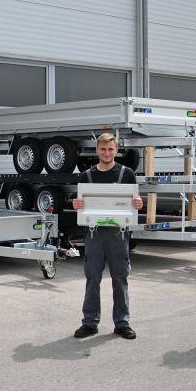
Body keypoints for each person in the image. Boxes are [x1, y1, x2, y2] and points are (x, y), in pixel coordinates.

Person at [72, 133, 143, 339]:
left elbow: (135, 201)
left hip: (118, 235)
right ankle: (89, 323)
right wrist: (76, 204)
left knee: (120, 279)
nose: (106, 153)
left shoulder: (127, 174)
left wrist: (138, 203)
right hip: (94, 234)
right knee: (92, 279)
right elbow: (80, 204)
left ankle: (122, 323)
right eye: (103, 149)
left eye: (110, 149)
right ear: (97, 150)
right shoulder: (86, 176)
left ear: (116, 150)